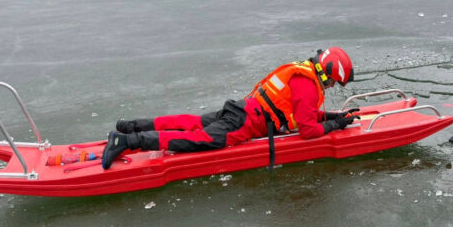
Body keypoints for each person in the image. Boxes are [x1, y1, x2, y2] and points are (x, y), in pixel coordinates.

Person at [101, 47, 358, 169]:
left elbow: (299, 112)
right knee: (197, 139)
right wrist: (333, 125)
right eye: (336, 82)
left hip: (242, 108)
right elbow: (308, 131)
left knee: (189, 121)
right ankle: (127, 140)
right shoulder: (309, 86)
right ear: (328, 74)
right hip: (245, 123)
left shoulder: (302, 73)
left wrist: (335, 116)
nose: (334, 86)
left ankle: (130, 125)